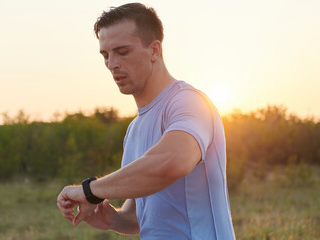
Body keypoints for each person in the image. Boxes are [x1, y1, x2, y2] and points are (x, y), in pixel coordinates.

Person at [57, 3, 235, 239]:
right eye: (105, 55)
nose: (112, 64)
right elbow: (139, 216)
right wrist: (113, 218)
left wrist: (90, 191)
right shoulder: (134, 129)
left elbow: (174, 161)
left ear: (154, 50)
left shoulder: (188, 101)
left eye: (122, 51)